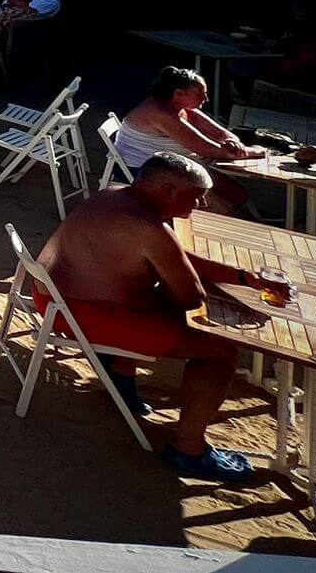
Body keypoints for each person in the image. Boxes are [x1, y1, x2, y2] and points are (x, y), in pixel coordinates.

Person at [37, 151, 287, 483]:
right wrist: (223, 296)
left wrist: (242, 277)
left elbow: (173, 259)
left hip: (55, 297)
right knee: (220, 352)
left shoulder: (114, 193)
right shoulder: (149, 227)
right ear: (169, 191)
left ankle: (120, 372)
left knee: (160, 295)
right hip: (80, 314)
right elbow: (189, 297)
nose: (201, 205)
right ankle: (189, 450)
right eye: (197, 196)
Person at [114, 67, 264, 214]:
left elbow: (220, 134)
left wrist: (233, 141)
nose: (206, 99)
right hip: (144, 170)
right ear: (179, 94)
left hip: (177, 166)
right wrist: (259, 151)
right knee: (222, 208)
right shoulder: (162, 114)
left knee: (239, 195)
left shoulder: (182, 107)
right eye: (201, 94)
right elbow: (211, 150)